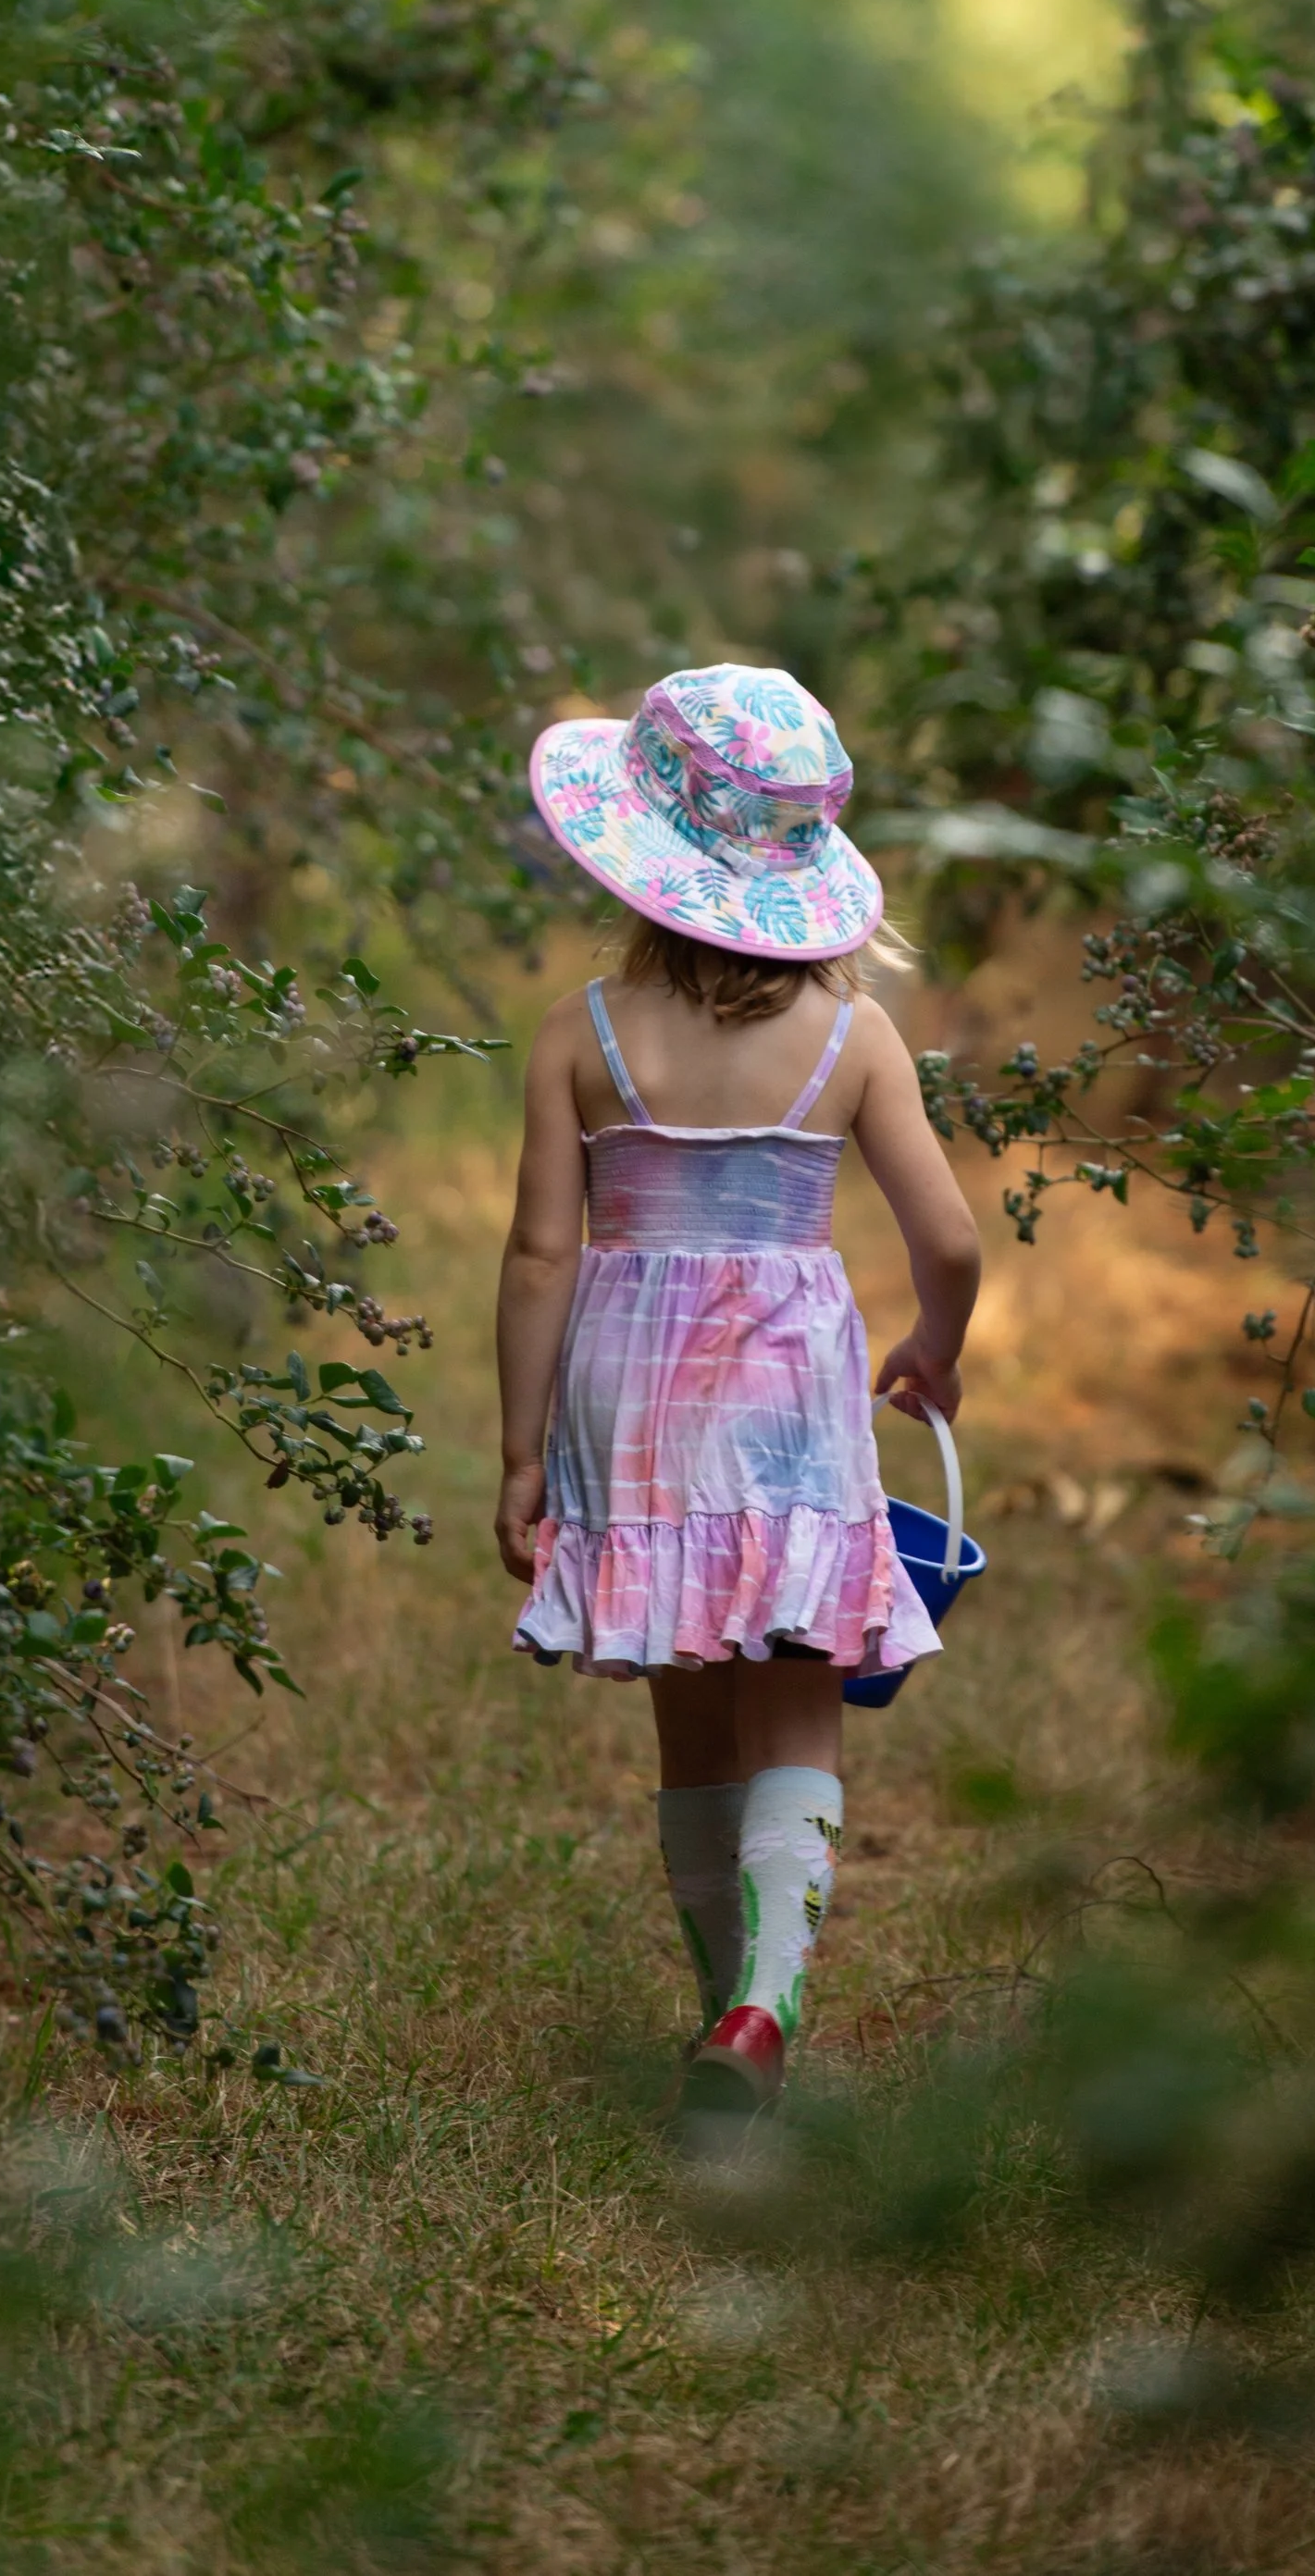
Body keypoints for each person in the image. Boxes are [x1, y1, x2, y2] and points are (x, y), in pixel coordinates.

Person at [495, 662, 983, 2112]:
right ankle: (762, 2015)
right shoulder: (854, 1038)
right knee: (797, 1710)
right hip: (786, 1402)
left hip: (633, 1407)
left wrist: (521, 1454)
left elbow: (537, 1254)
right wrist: (934, 1344)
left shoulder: (579, 1036)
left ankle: (724, 2006)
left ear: (639, 860)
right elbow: (947, 1238)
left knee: (692, 1724)